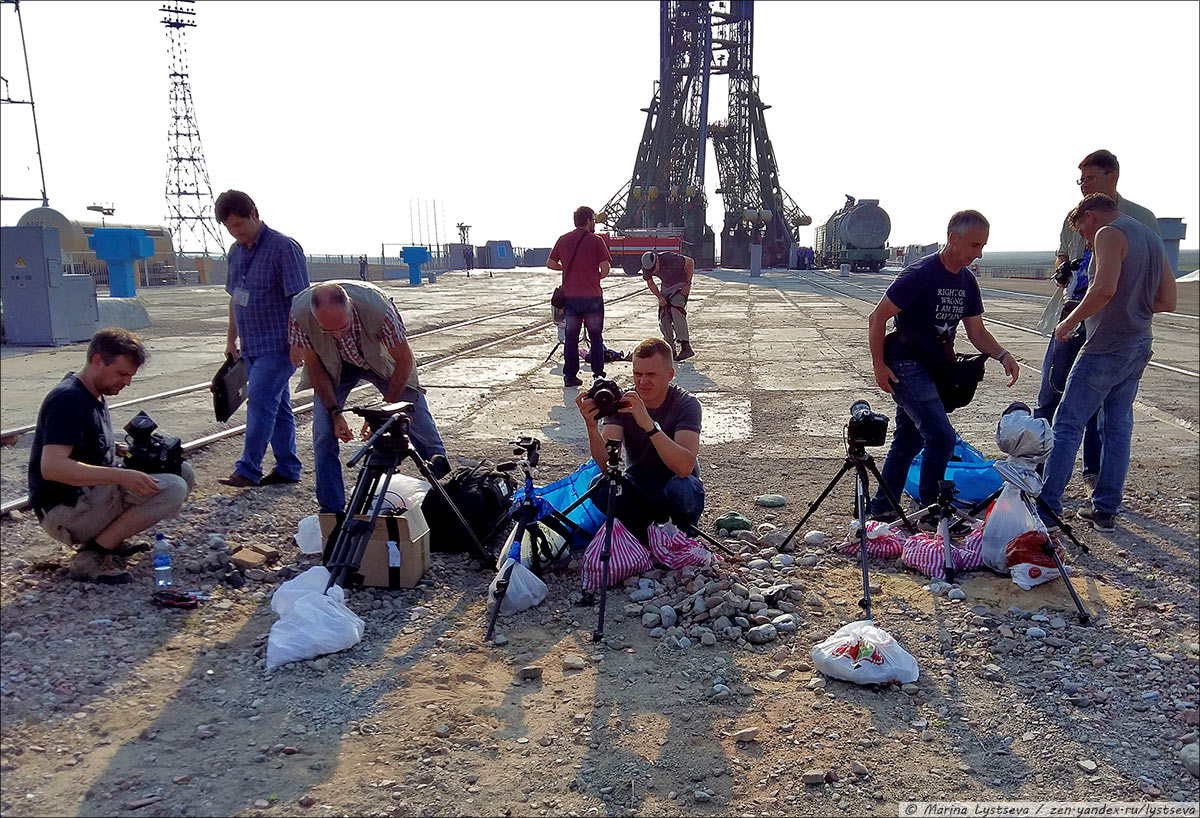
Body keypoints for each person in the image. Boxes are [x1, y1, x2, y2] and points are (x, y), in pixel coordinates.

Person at [866, 210, 1020, 519]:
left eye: (983, 246)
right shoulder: (920, 274)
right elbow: (877, 317)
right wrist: (879, 365)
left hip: (935, 367)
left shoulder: (967, 282)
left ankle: (883, 508)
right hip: (905, 363)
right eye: (974, 245)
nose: (979, 254)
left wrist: (1003, 355)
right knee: (941, 436)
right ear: (953, 239)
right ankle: (933, 509)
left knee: (908, 440)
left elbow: (976, 332)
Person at [1039, 194, 1175, 533]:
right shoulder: (1151, 237)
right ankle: (1105, 511)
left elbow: (1102, 290)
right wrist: (1133, 309)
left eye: (1082, 231)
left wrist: (1068, 322)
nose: (1085, 240)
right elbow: (1167, 300)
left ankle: (1047, 508)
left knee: (1068, 423)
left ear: (1090, 215)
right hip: (1139, 343)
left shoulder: (1108, 233)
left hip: (1105, 347)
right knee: (1118, 426)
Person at [28, 328, 197, 584]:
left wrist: (119, 450)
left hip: (89, 495)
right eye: (121, 373)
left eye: (130, 375)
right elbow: (52, 467)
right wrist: (122, 475)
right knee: (173, 488)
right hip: (65, 508)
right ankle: (92, 555)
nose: (126, 382)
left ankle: (109, 539)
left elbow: (84, 446)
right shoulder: (68, 399)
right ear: (98, 361)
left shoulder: (94, 393)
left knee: (181, 471)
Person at [1039, 149, 1161, 488]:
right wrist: (1062, 269)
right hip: (1109, 324)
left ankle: (1050, 502)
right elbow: (1063, 254)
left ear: (1113, 176)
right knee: (1054, 395)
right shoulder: (1075, 217)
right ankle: (1039, 465)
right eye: (1080, 180)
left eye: (1090, 179)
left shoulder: (1133, 221)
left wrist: (1106, 308)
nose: (1083, 186)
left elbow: (1105, 288)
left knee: (1074, 417)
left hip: (1096, 326)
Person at [288, 280, 449, 514]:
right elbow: (314, 368)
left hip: (381, 362)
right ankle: (332, 511)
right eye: (328, 331)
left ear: (351, 307)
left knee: (419, 422)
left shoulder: (379, 309)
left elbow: (404, 361)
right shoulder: (299, 314)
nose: (338, 335)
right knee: (323, 434)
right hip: (334, 367)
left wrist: (385, 411)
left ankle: (447, 492)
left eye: (342, 327)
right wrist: (335, 414)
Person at [217, 189, 311, 488]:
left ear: (254, 214)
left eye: (240, 225)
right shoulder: (235, 252)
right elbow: (235, 299)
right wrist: (231, 340)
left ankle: (248, 469)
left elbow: (300, 299)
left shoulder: (284, 248)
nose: (236, 232)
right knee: (277, 405)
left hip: (279, 345)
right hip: (251, 346)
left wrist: (298, 342)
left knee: (259, 401)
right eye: (230, 228)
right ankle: (288, 468)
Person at [575, 337, 704, 544]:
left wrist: (649, 426)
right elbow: (608, 466)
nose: (642, 382)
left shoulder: (686, 404)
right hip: (638, 486)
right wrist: (591, 427)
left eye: (651, 375)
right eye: (637, 374)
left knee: (685, 489)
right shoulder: (624, 401)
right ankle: (644, 537)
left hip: (676, 484)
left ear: (669, 375)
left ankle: (679, 535)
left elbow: (684, 467)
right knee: (600, 486)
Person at [548, 205, 612, 387]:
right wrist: (594, 276)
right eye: (593, 220)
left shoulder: (563, 239)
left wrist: (566, 268)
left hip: (571, 298)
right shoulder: (596, 241)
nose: (594, 224)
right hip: (592, 297)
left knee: (571, 337)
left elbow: (550, 263)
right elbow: (605, 269)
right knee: (596, 336)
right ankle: (598, 375)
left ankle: (570, 377)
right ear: (588, 221)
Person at [641, 250, 696, 361]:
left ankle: (686, 346)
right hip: (666, 287)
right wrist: (660, 297)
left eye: (654, 269)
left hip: (681, 284)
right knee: (664, 315)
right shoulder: (647, 268)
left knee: (676, 310)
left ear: (656, 260)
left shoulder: (670, 258)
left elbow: (690, 262)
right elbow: (650, 283)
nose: (653, 271)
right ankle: (670, 349)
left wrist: (687, 284)